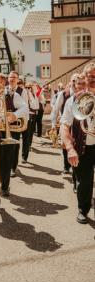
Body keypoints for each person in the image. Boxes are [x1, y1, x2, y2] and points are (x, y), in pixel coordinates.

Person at [61, 63, 95, 224]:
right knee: (84, 183)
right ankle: (83, 209)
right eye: (90, 76)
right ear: (84, 78)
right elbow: (65, 125)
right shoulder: (73, 100)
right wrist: (69, 148)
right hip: (83, 147)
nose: (93, 78)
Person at [0, 72, 28, 197]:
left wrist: (15, 115)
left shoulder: (13, 94)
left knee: (6, 160)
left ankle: (5, 186)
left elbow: (25, 108)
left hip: (8, 132)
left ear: (3, 82)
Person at [22, 82, 39, 163]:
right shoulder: (25, 94)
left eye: (29, 87)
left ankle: (29, 145)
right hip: (27, 114)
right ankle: (26, 149)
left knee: (30, 132)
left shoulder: (33, 94)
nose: (28, 89)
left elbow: (36, 105)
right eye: (27, 87)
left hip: (33, 114)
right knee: (26, 133)